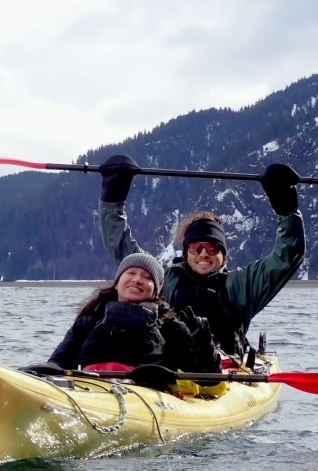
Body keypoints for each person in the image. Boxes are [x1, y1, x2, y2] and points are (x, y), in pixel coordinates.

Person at [98, 154, 306, 362]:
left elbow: (288, 254)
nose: (204, 254)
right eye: (197, 248)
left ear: (224, 256)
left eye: (213, 248)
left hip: (225, 372)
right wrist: (113, 195)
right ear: (186, 252)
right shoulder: (164, 279)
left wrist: (286, 208)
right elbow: (121, 245)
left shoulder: (241, 285)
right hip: (167, 367)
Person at [25, 252, 222, 375]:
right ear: (118, 281)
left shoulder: (170, 326)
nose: (137, 280)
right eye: (131, 273)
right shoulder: (90, 320)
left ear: (155, 292)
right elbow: (59, 363)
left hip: (151, 396)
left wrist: (204, 345)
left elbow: (207, 380)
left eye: (147, 277)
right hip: (92, 390)